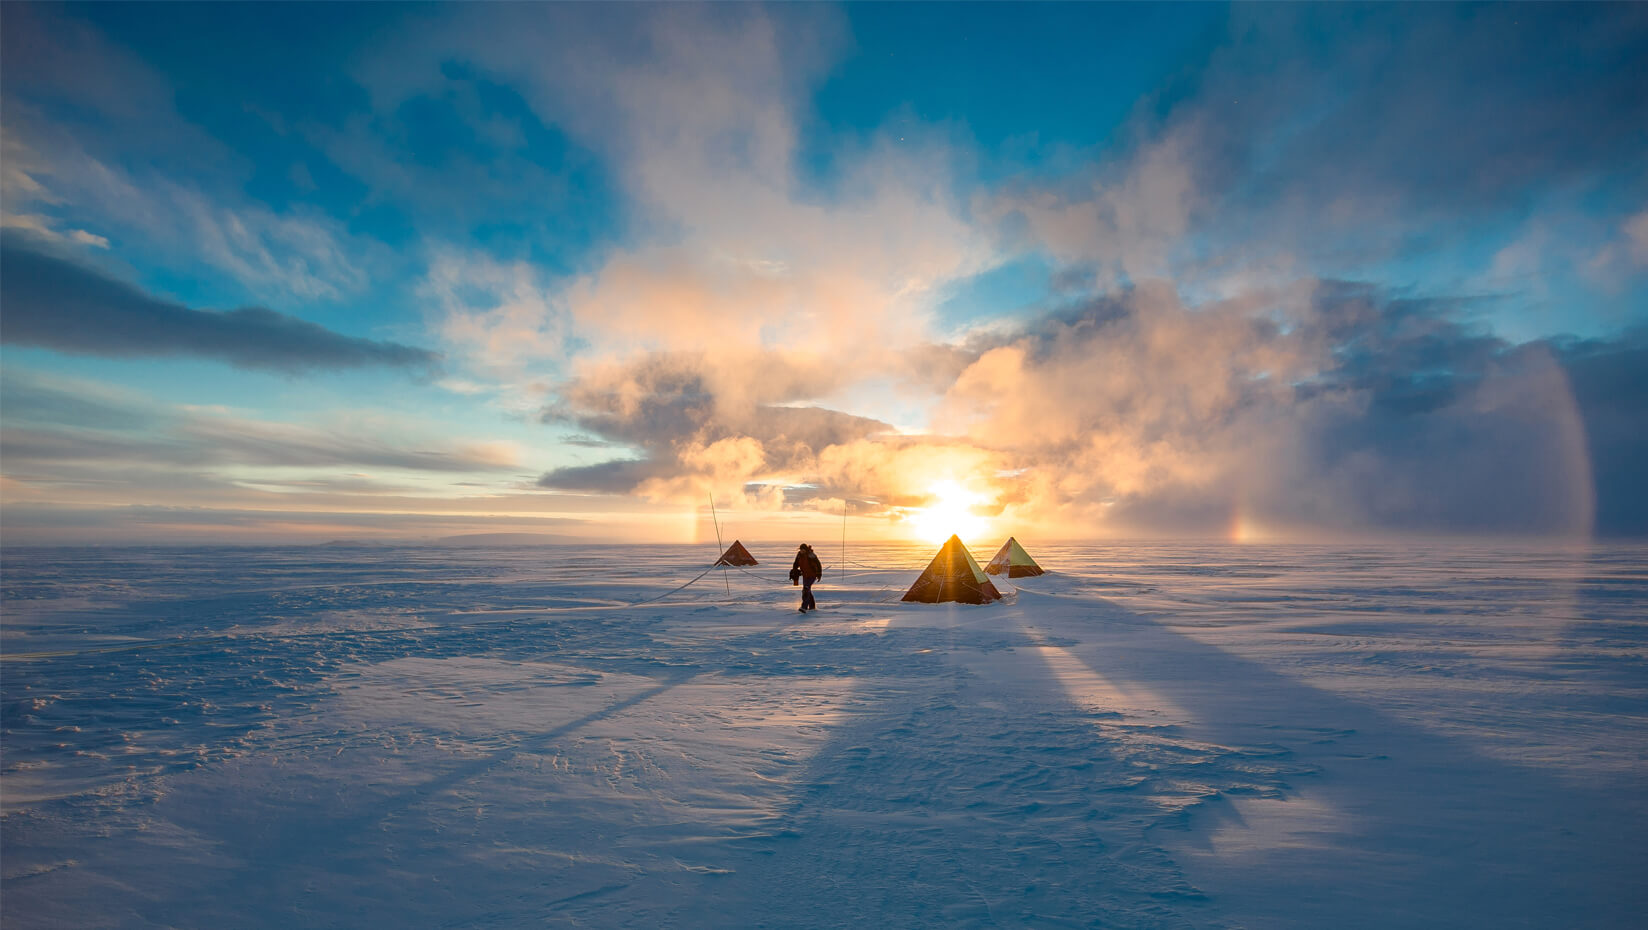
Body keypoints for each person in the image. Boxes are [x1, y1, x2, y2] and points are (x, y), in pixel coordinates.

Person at [790, 543, 823, 612]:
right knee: (807, 591)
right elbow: (796, 563)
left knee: (806, 589)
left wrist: (819, 574)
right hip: (805, 576)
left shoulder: (811, 555)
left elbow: (818, 564)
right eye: (801, 549)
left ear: (806, 549)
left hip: (812, 575)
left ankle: (804, 607)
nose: (802, 551)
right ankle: (812, 607)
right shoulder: (799, 555)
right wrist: (794, 570)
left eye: (803, 550)